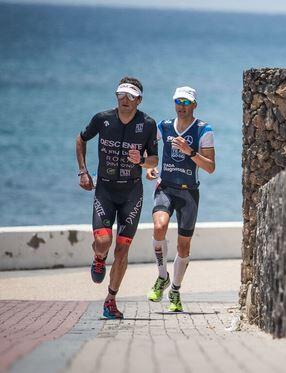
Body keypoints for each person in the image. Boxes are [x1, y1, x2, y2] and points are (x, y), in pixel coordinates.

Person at [76, 77, 158, 319]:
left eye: (131, 96)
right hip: (105, 190)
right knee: (103, 243)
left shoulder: (148, 124)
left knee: (122, 251)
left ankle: (110, 300)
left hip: (132, 193)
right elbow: (81, 139)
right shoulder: (102, 119)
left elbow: (154, 160)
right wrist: (83, 171)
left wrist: (141, 161)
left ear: (139, 99)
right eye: (121, 94)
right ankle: (99, 257)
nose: (125, 99)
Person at [145, 86, 215, 312]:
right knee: (159, 227)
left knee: (183, 246)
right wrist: (148, 167)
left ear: (194, 105)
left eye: (186, 103)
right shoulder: (163, 127)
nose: (182, 107)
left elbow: (211, 167)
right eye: (178, 102)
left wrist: (189, 151)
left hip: (189, 193)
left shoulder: (204, 130)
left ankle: (175, 289)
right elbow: (151, 155)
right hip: (165, 188)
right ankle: (162, 276)